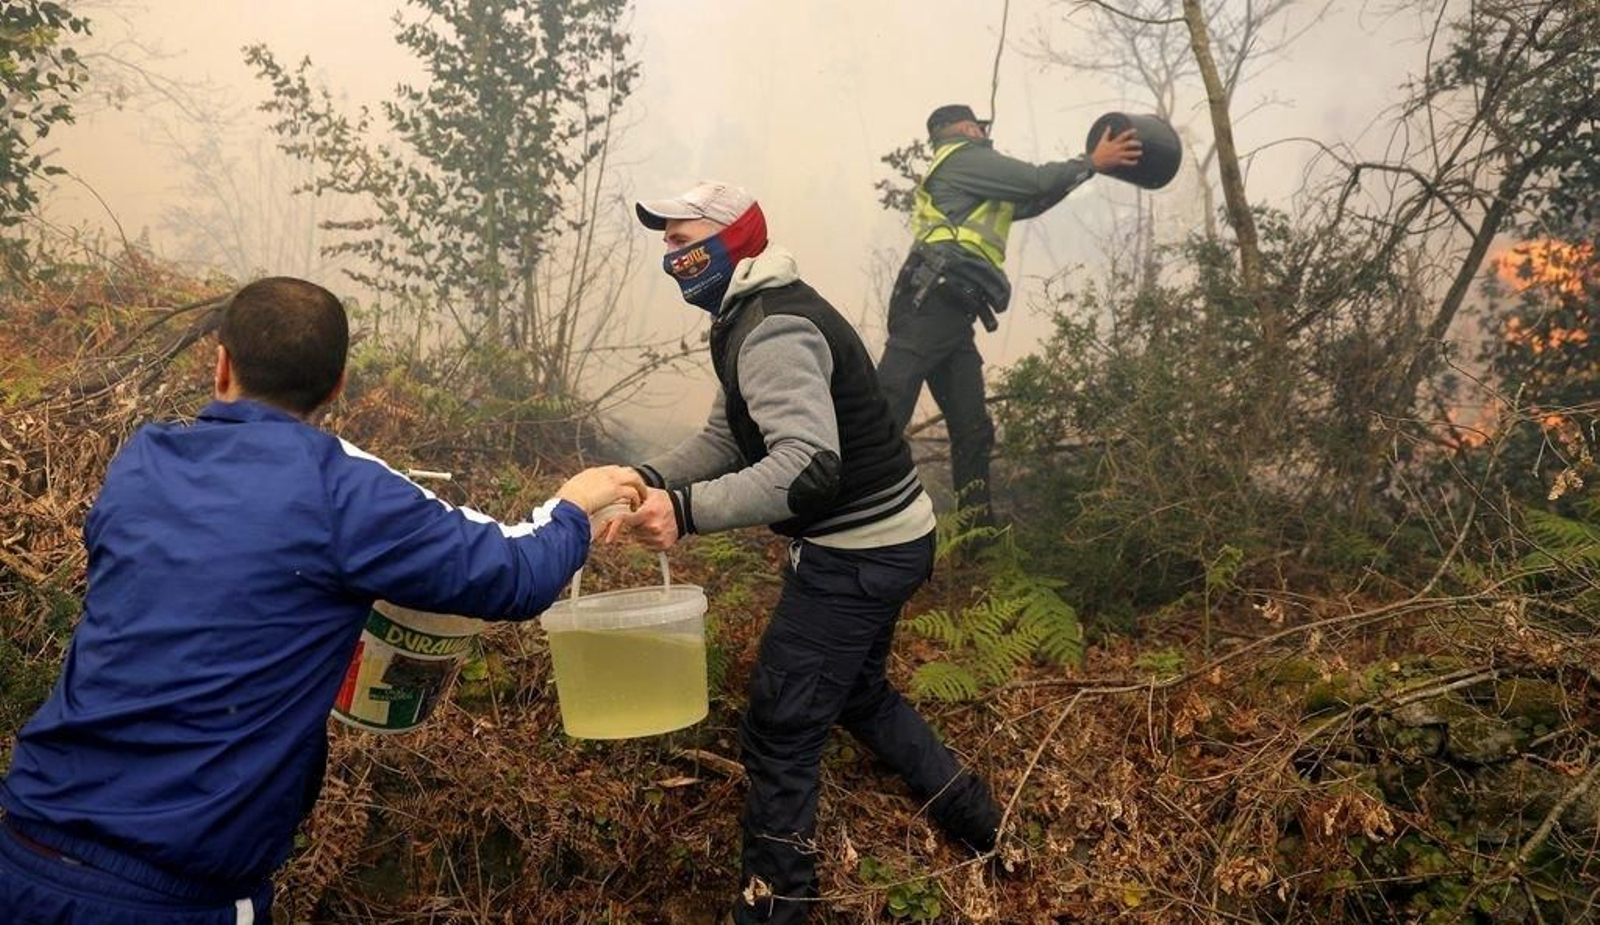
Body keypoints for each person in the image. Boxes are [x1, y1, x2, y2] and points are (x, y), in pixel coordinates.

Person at [0, 277, 644, 925]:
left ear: (221, 363)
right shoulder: (342, 491)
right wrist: (574, 504)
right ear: (337, 386)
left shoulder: (142, 459)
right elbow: (514, 573)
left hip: (24, 844)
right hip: (177, 892)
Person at [622, 182, 1001, 924]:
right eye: (664, 242)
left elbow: (806, 464)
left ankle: (773, 910)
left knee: (781, 725)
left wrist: (687, 512)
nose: (671, 256)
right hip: (893, 533)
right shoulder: (746, 312)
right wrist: (649, 478)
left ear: (733, 239)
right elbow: (733, 436)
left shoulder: (773, 326)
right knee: (858, 692)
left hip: (857, 551)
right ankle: (982, 821)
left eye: (681, 239)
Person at [876, 103, 1143, 525]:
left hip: (952, 308)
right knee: (888, 406)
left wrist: (1086, 170)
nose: (985, 133)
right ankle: (844, 515)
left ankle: (975, 538)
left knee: (973, 430)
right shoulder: (964, 156)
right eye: (980, 127)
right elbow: (1035, 179)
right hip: (931, 300)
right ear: (966, 128)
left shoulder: (970, 174)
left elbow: (1032, 199)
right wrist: (1091, 162)